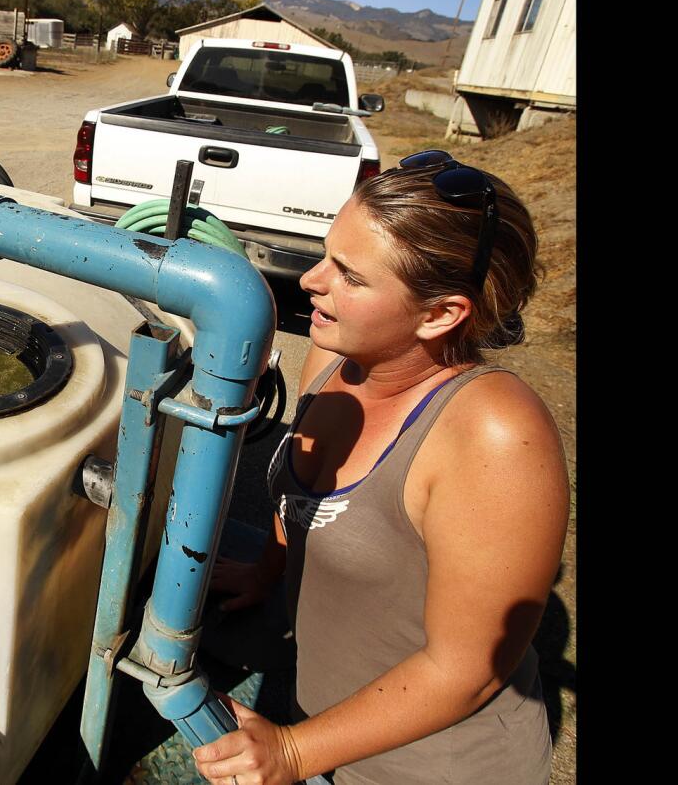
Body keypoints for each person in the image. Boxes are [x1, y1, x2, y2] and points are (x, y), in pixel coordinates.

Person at [193, 152, 569, 785]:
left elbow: (466, 669)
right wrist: (266, 569)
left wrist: (292, 753)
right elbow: (299, 495)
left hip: (422, 768)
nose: (311, 282)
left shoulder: (495, 436)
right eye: (325, 254)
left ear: (441, 314)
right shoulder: (337, 356)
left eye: (350, 276)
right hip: (319, 719)